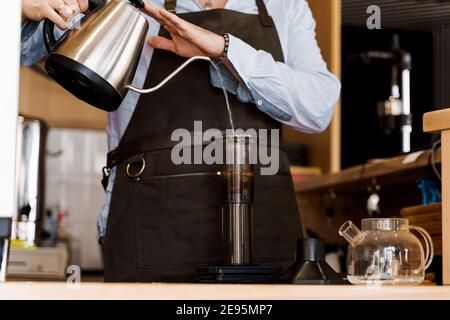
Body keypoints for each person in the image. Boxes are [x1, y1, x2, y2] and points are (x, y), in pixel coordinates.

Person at [21, 0, 341, 282]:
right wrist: (19, 8)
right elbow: (20, 52)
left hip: (266, 238)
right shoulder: (132, 2)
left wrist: (224, 50)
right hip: (152, 231)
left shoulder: (284, 5)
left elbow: (318, 108)